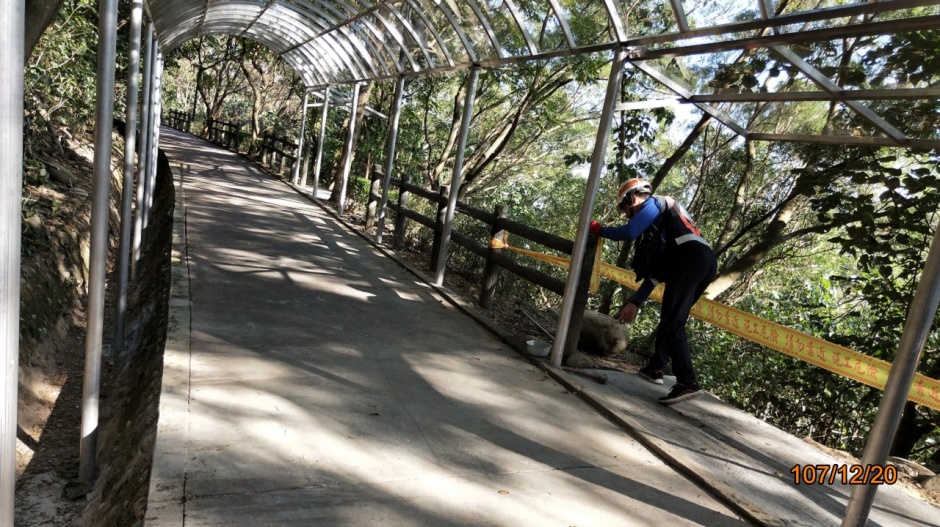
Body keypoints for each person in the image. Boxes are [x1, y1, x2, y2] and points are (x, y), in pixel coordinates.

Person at [588, 178, 717, 405]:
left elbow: (629, 232)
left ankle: (687, 382)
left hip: (692, 261)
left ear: (633, 198)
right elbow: (656, 274)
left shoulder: (655, 204)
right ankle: (656, 367)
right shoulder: (663, 229)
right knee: (671, 318)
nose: (628, 215)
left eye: (626, 209)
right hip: (701, 262)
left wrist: (600, 230)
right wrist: (634, 302)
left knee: (673, 322)